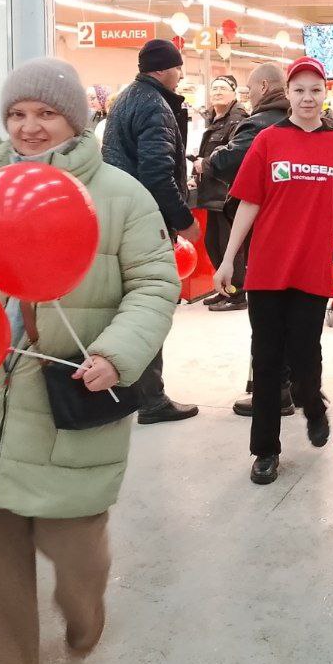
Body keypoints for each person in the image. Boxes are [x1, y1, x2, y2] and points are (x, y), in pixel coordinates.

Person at [0, 57, 180, 664]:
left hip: (66, 400)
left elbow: (154, 285)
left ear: (76, 120)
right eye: (16, 113)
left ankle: (84, 616)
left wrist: (115, 353)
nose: (28, 127)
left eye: (45, 113)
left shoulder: (122, 197)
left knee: (78, 554)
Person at [213, 57, 333, 486]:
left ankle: (313, 406)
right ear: (289, 94)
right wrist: (228, 258)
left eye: (315, 90)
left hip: (312, 270)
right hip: (266, 270)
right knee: (265, 360)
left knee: (305, 354)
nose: (307, 98)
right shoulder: (268, 140)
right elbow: (249, 202)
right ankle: (265, 450)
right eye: (299, 90)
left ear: (325, 94)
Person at [101, 38, 201, 424]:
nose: (180, 75)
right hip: (146, 224)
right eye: (178, 68)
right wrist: (184, 221)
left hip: (120, 217)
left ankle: (133, 393)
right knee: (150, 306)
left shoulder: (127, 99)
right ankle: (151, 399)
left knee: (129, 307)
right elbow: (157, 174)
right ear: (163, 69)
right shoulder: (155, 105)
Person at [208, 62, 295, 418]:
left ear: (262, 87)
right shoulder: (318, 129)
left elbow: (231, 169)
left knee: (268, 318)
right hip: (303, 237)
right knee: (296, 315)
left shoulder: (258, 127)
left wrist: (212, 157)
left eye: (247, 89)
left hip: (267, 234)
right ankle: (296, 385)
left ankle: (275, 392)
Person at [194, 75, 249, 312]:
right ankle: (225, 288)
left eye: (223, 88)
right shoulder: (213, 118)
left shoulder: (237, 119)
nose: (217, 92)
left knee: (229, 245)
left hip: (227, 193)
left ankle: (237, 294)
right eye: (214, 88)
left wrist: (205, 164)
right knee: (213, 243)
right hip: (212, 191)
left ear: (233, 93)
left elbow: (233, 155)